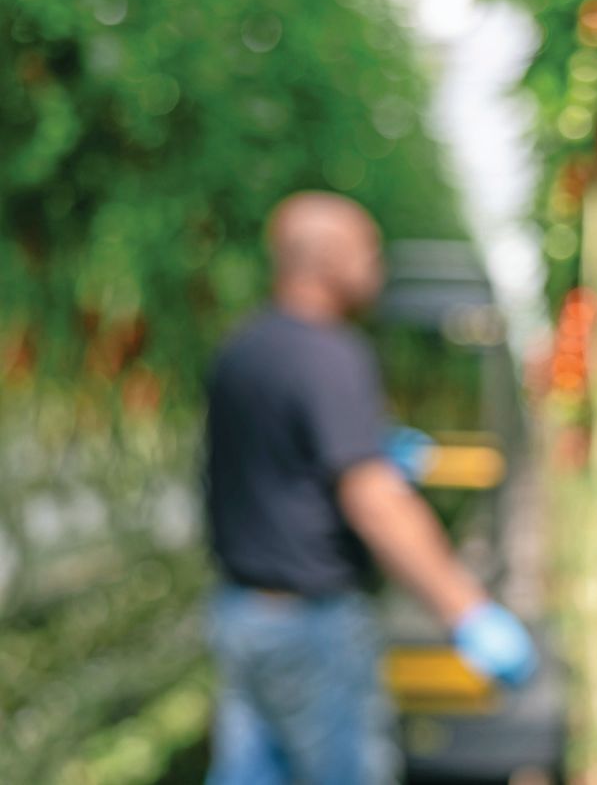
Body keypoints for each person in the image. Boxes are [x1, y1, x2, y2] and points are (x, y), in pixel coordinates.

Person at [203, 191, 536, 785]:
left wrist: (373, 444)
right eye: (369, 254)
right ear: (330, 261)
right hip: (312, 629)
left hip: (240, 615)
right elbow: (374, 499)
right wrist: (467, 612)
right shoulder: (332, 355)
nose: (376, 270)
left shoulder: (241, 349)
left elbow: (274, 463)